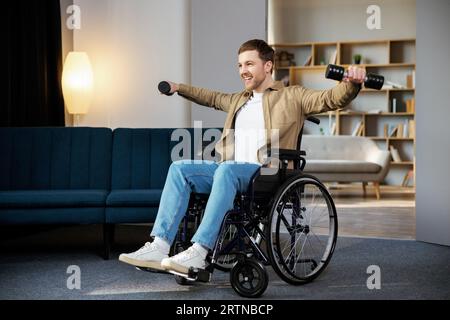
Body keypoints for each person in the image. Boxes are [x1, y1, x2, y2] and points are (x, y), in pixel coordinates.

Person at [119, 39, 366, 276]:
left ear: (268, 65)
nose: (242, 71)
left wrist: (351, 84)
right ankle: (159, 245)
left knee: (227, 170)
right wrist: (178, 88)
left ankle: (200, 250)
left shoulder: (293, 96)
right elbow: (211, 97)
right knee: (180, 168)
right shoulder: (239, 100)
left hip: (268, 173)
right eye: (239, 65)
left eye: (249, 64)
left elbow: (330, 99)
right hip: (231, 172)